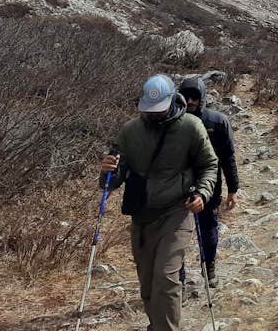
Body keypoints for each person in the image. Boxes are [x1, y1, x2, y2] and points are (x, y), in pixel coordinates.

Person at [100, 74, 218, 331]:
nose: (153, 115)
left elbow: (209, 165)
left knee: (166, 277)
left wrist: (202, 194)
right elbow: (112, 180)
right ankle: (157, 326)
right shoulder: (130, 131)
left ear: (172, 101)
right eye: (149, 111)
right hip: (142, 215)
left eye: (159, 110)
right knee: (148, 283)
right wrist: (108, 170)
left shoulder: (190, 127)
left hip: (177, 211)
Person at [177, 74, 240, 289]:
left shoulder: (218, 121)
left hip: (210, 184)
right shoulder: (171, 121)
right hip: (178, 185)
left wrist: (233, 189)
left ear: (203, 97)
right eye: (187, 96)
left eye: (195, 97)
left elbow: (228, 157)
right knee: (176, 233)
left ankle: (209, 267)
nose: (191, 101)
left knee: (209, 228)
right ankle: (179, 277)